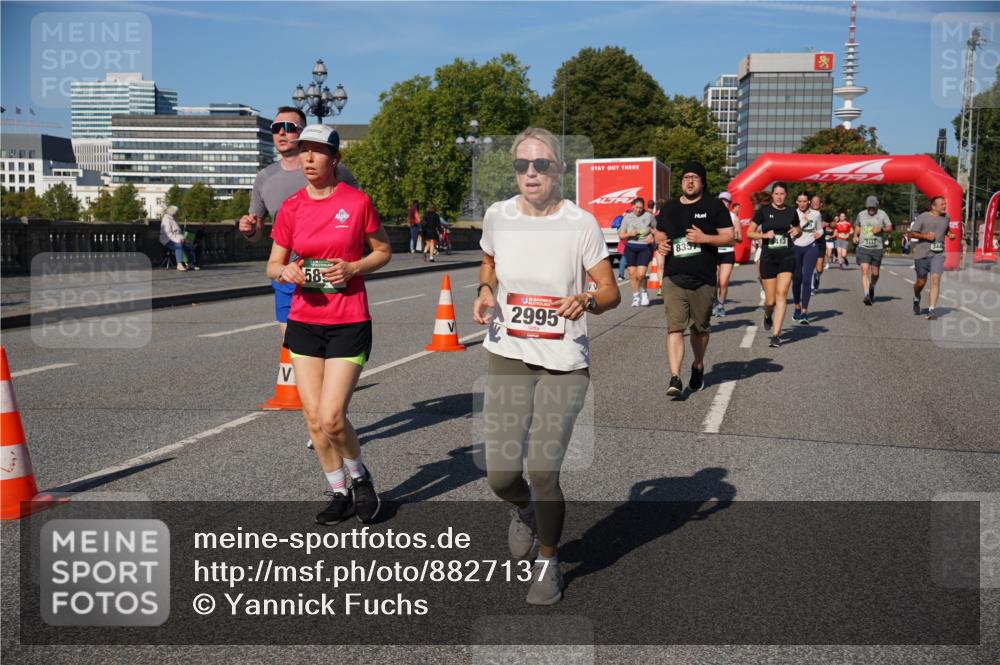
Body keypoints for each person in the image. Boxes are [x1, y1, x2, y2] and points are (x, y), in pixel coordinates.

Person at [472, 127, 620, 605]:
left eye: (540, 165)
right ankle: (524, 513)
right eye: (521, 165)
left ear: (558, 169)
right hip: (509, 353)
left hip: (563, 361)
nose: (530, 173)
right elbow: (489, 263)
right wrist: (485, 292)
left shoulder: (580, 223)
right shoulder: (498, 216)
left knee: (542, 470)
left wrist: (588, 299)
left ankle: (549, 561)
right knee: (500, 475)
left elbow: (611, 291)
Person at [265, 124, 392, 525]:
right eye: (304, 150)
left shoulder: (356, 203)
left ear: (335, 158)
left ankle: (360, 477)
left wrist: (354, 266)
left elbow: (384, 250)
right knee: (314, 418)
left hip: (348, 319)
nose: (308, 158)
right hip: (304, 319)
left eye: (318, 151)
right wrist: (286, 272)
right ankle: (338, 491)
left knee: (333, 416)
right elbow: (272, 264)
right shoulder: (291, 207)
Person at [653, 161, 733, 395]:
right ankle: (675, 377)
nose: (690, 181)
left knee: (700, 330)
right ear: (681, 182)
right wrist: (661, 243)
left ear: (702, 181)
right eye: (686, 177)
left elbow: (729, 237)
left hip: (704, 278)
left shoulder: (714, 206)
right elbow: (659, 231)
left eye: (695, 178)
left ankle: (698, 365)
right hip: (674, 277)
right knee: (675, 328)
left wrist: (704, 238)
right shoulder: (669, 207)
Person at [747, 182, 801, 347]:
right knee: (770, 301)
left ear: (786, 195)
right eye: (776, 194)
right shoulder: (763, 211)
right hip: (768, 258)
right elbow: (749, 232)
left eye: (782, 194)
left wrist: (797, 231)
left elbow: (798, 228)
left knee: (782, 294)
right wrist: (764, 235)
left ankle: (776, 334)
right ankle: (767, 314)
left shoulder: (792, 211)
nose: (779, 197)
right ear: (772, 195)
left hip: (787, 256)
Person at [908, 196, 955, 319]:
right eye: (942, 204)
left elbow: (945, 227)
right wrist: (925, 236)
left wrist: (949, 233)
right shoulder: (923, 217)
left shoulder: (946, 217)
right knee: (920, 282)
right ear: (934, 206)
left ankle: (931, 310)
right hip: (921, 254)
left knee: (935, 280)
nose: (945, 206)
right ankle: (916, 296)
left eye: (945, 204)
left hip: (937, 254)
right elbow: (912, 233)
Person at [853, 195, 893, 306]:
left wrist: (882, 229)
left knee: (875, 273)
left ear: (876, 206)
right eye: (869, 207)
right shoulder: (861, 214)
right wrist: (855, 235)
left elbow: (890, 227)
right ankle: (866, 295)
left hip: (877, 248)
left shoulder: (882, 214)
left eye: (873, 207)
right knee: (865, 270)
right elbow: (857, 225)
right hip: (863, 248)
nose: (871, 209)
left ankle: (872, 286)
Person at [619, 197, 656, 306]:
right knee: (632, 274)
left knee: (641, 274)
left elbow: (657, 229)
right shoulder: (627, 218)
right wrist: (629, 234)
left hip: (644, 247)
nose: (639, 210)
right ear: (632, 206)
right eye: (637, 207)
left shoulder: (649, 216)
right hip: (630, 247)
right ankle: (636, 297)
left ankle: (644, 293)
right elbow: (621, 235)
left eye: (641, 208)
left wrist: (652, 236)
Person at [792, 192, 822, 325]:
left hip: (811, 247)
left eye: (805, 201)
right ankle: (797, 307)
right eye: (800, 201)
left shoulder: (815, 214)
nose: (802, 203)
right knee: (797, 279)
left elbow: (820, 229)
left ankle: (804, 312)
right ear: (796, 202)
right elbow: (788, 231)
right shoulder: (792, 214)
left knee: (806, 279)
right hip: (795, 247)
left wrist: (818, 234)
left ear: (809, 201)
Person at [714, 192, 742, 317]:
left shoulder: (734, 218)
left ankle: (721, 305)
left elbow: (740, 238)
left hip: (727, 252)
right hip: (714, 252)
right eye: (721, 200)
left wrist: (735, 237)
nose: (723, 203)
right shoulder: (712, 216)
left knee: (723, 282)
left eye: (726, 201)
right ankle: (714, 303)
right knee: (713, 281)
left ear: (730, 203)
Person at [159, 205, 200, 271]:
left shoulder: (174, 219)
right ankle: (179, 264)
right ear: (172, 212)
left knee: (190, 246)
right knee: (178, 245)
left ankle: (190, 264)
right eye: (176, 212)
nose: (177, 213)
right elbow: (168, 233)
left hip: (176, 239)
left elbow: (179, 233)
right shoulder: (166, 219)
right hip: (167, 240)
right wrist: (178, 240)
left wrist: (184, 239)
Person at [811, 195, 830, 292]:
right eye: (813, 201)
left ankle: (817, 276)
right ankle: (811, 287)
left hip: (820, 243)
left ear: (820, 204)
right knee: (809, 266)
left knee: (819, 268)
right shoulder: (807, 213)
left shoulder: (825, 214)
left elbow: (834, 223)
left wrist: (828, 224)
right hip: (808, 242)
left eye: (817, 201)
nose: (815, 203)